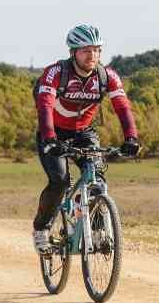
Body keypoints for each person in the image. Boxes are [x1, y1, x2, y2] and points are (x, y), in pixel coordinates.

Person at [33, 25, 141, 252]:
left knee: (97, 182)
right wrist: (50, 138)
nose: (92, 55)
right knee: (60, 182)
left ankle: (97, 226)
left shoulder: (107, 76)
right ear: (73, 52)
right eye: (85, 50)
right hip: (53, 132)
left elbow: (122, 107)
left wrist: (131, 137)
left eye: (96, 50)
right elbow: (45, 105)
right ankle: (41, 228)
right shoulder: (56, 72)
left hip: (84, 132)